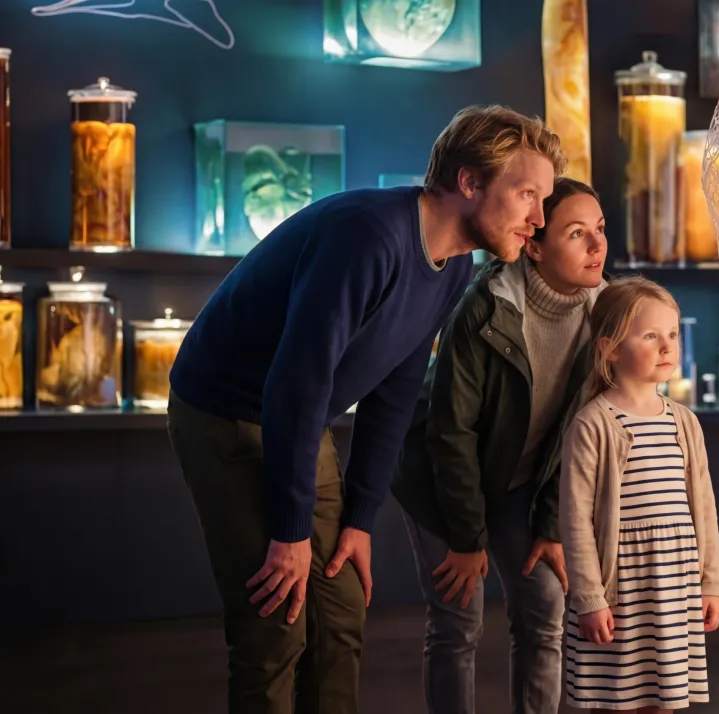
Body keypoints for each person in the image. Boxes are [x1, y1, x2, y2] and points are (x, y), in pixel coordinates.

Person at [165, 104, 566, 714]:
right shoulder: (369, 237)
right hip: (226, 411)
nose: (539, 220)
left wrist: (357, 518)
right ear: (470, 182)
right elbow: (296, 383)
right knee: (275, 620)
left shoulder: (455, 263)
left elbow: (395, 388)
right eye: (527, 195)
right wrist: (290, 531)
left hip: (299, 417)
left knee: (342, 604)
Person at [391, 176, 609, 714]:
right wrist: (467, 540)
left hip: (523, 483)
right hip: (442, 478)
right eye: (577, 233)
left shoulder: (606, 318)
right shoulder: (483, 307)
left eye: (600, 230)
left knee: (544, 612)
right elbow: (450, 432)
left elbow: (581, 440)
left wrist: (550, 526)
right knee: (457, 621)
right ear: (534, 243)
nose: (598, 246)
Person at [559, 277, 719, 712]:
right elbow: (575, 522)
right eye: (651, 336)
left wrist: (711, 583)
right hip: (623, 590)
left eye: (672, 334)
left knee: (663, 698)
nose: (667, 347)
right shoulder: (593, 425)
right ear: (612, 348)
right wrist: (590, 598)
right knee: (616, 697)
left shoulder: (685, 422)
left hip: (675, 585)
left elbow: (704, 510)